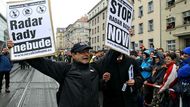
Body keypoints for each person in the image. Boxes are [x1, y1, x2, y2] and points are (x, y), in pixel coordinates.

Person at [7, 40, 121, 107]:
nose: (86, 54)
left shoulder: (95, 68)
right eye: (81, 52)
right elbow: (39, 62)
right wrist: (16, 47)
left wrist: (123, 36)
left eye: (87, 52)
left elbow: (111, 55)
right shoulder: (64, 69)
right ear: (73, 55)